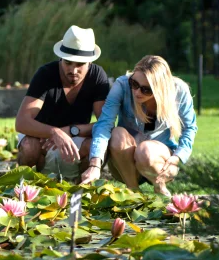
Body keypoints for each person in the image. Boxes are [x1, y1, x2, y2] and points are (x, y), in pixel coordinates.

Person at [81, 55, 197, 197]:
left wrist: (178, 157)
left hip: (158, 161)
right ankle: (133, 191)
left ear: (159, 88)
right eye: (134, 84)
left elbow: (189, 128)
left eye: (145, 89)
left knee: (145, 150)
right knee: (117, 133)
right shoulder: (122, 85)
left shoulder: (179, 90)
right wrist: (95, 164)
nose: (136, 92)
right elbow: (104, 123)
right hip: (124, 163)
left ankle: (159, 187)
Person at [15, 25, 110, 179]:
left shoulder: (97, 76)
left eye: (80, 65)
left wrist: (72, 130)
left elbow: (106, 124)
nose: (73, 70)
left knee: (99, 146)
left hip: (77, 142)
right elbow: (21, 122)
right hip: (42, 141)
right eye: (68, 63)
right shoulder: (45, 74)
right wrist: (54, 132)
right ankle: (24, 188)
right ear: (61, 58)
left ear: (90, 63)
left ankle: (83, 189)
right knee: (29, 146)